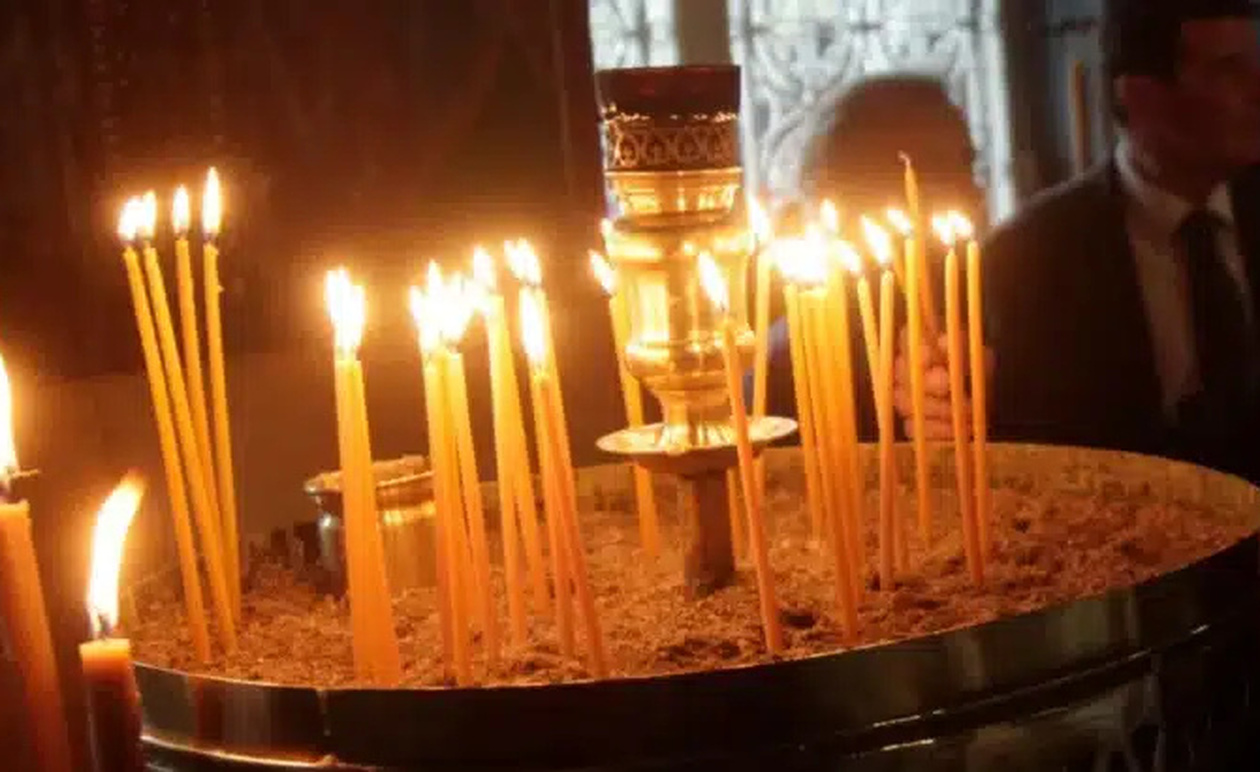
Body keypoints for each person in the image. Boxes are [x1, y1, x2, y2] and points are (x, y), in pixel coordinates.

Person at [894, 0, 1260, 484]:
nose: (1257, 90)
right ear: (1141, 96)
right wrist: (943, 400)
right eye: (1228, 71)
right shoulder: (1026, 257)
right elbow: (1005, 435)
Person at [764, 74, 982, 427]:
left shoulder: (988, 298)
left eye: (968, 164)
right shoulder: (800, 354)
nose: (973, 190)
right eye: (942, 168)